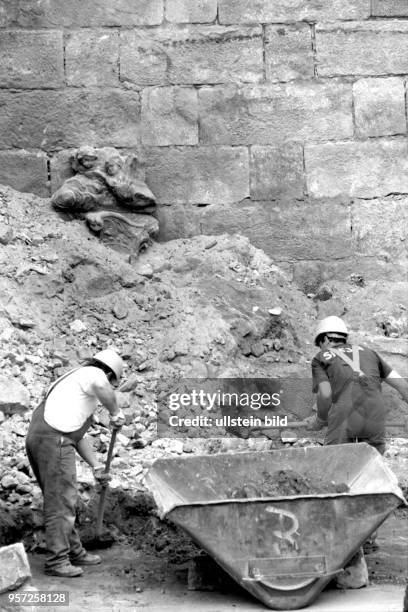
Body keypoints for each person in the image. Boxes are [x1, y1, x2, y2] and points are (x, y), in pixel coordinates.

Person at [307, 316, 408, 588]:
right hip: (374, 418)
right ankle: (368, 537)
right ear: (344, 337)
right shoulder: (371, 353)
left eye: (320, 342)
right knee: (369, 477)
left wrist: (318, 420)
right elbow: (401, 385)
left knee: (334, 480)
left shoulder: (321, 358)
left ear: (325, 339)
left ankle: (342, 546)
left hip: (343, 419)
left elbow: (326, 394)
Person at [25, 349, 125, 578]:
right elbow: (102, 385)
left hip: (45, 439)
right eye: (112, 384)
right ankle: (57, 560)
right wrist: (116, 412)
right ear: (109, 374)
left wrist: (96, 466)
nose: (109, 389)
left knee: (61, 498)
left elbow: (76, 437)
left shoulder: (75, 388)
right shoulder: (92, 374)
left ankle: (73, 551)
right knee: (61, 501)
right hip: (54, 441)